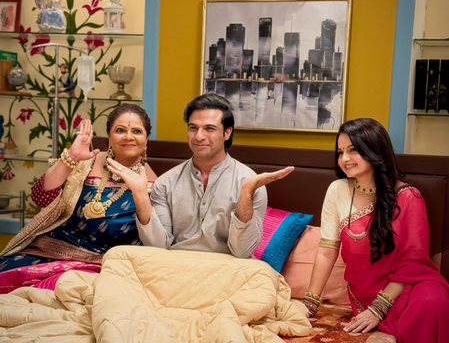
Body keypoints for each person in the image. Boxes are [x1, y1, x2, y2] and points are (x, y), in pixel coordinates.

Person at [304, 118, 449, 342]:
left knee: (433, 301)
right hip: (366, 292)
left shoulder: (409, 197)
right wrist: (310, 303)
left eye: (353, 150)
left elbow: (413, 262)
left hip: (407, 285)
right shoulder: (337, 190)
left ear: (374, 150)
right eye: (340, 152)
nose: (344, 159)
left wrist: (379, 308)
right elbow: (326, 250)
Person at [0, 103, 157, 292]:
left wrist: (140, 193)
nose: (128, 136)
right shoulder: (84, 164)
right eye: (120, 130)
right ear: (109, 136)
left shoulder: (157, 186)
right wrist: (71, 157)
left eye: (137, 131)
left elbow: (155, 241)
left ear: (147, 139)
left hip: (103, 268)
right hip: (49, 254)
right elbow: (40, 198)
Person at [134, 93, 293, 258]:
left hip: (230, 268)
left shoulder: (251, 183)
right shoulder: (166, 183)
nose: (198, 136)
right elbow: (158, 247)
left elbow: (243, 252)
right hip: (177, 266)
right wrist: (140, 194)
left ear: (227, 133)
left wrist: (246, 193)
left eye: (209, 128)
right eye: (193, 128)